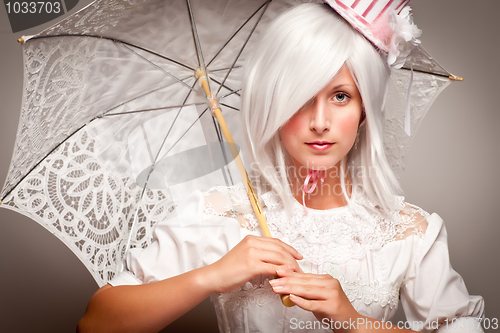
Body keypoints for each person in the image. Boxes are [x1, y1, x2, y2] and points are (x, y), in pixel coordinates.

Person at [78, 3, 484, 332]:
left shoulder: (410, 231)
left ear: (364, 112)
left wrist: (353, 321)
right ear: (274, 105)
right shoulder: (223, 214)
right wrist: (212, 276)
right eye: (301, 95)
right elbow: (95, 324)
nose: (320, 121)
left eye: (340, 96)